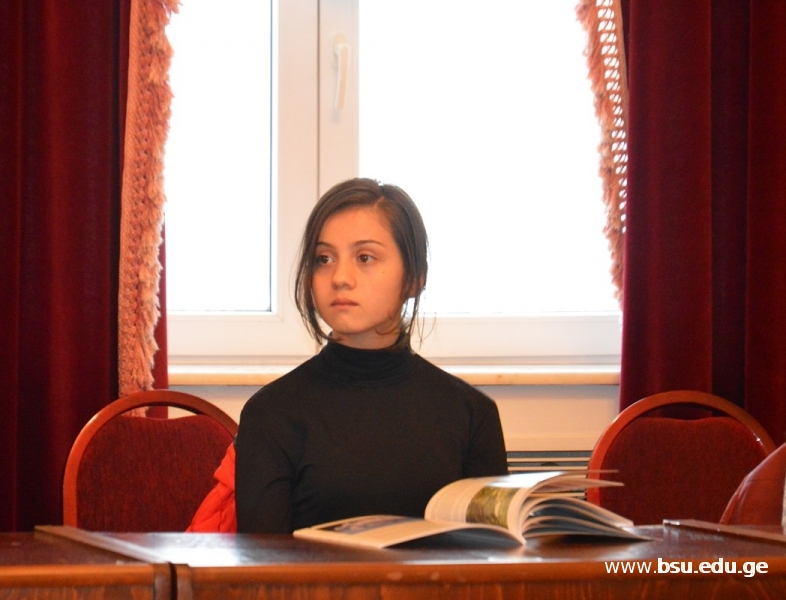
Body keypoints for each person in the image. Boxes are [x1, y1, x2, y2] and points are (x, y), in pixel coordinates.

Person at [234, 177, 508, 534]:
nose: (340, 277)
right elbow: (263, 562)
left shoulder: (472, 414)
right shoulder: (271, 413)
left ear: (414, 277)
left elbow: (490, 555)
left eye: (365, 257)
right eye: (323, 259)